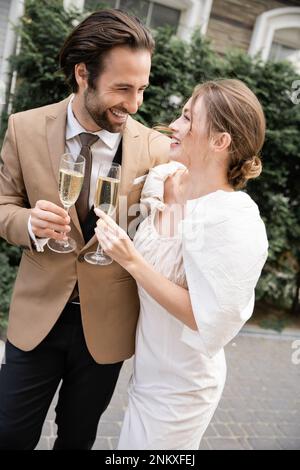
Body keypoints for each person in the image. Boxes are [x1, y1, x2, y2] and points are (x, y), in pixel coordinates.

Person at [0, 9, 169, 450]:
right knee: (9, 435)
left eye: (142, 89)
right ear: (82, 74)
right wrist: (28, 223)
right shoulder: (25, 127)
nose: (134, 105)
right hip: (36, 318)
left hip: (107, 326)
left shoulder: (156, 147)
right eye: (122, 89)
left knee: (78, 440)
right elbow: (2, 206)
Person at [94, 79, 269, 450]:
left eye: (188, 119)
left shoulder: (232, 219)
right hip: (147, 372)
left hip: (182, 388)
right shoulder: (168, 182)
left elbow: (204, 318)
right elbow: (170, 257)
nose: (174, 125)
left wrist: (131, 260)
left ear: (220, 142)